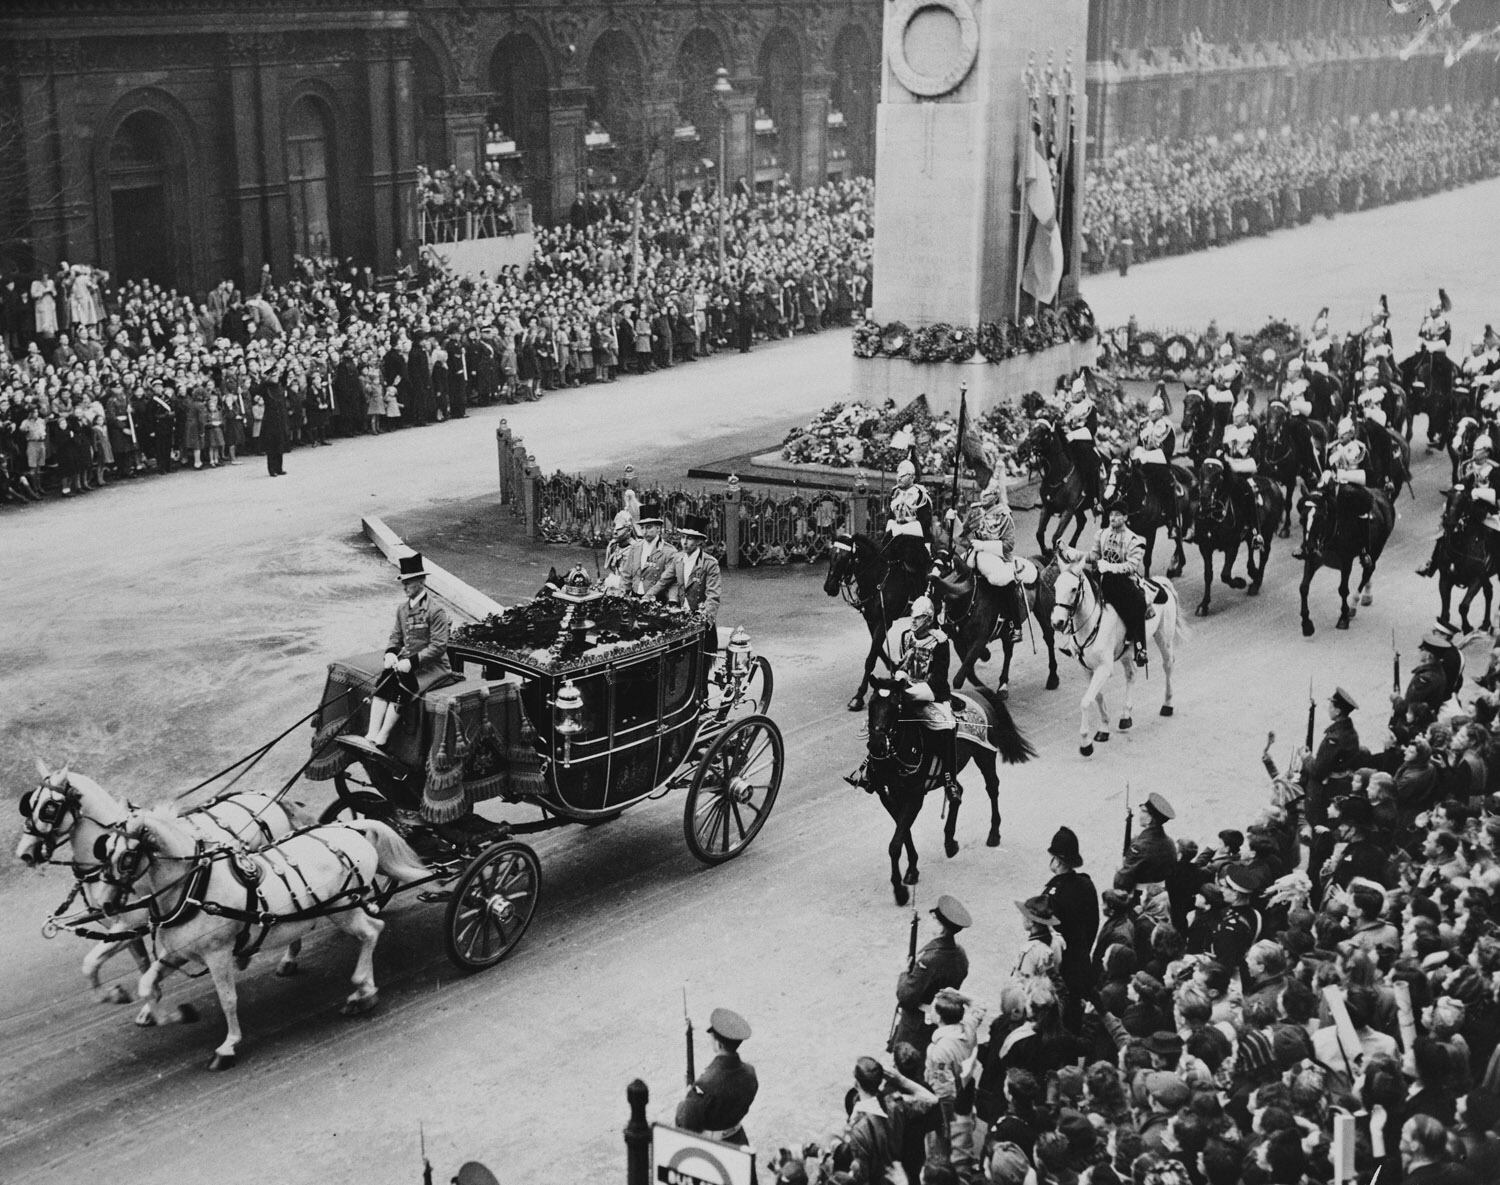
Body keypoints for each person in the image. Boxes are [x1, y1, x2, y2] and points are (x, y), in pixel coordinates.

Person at [362, 552, 452, 751]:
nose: (404, 587)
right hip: (406, 663)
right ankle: (372, 732)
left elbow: (438, 646)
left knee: (404, 685)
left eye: (409, 582)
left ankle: (383, 735)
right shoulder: (402, 609)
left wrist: (412, 662)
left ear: (421, 581)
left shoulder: (435, 611)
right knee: (384, 680)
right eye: (403, 582)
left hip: (433, 667)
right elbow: (396, 636)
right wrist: (391, 653)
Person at [887, 595, 960, 797]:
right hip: (909, 687)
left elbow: (938, 678)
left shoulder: (940, 642)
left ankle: (949, 779)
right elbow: (903, 665)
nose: (913, 621)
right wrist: (899, 675)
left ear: (928, 619)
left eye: (918, 618)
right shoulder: (906, 636)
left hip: (932, 692)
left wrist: (911, 691)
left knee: (947, 724)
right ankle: (870, 766)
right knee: (884, 714)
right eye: (912, 616)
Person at [646, 514, 721, 686]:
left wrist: (705, 618)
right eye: (683, 538)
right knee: (681, 663)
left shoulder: (710, 564)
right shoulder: (678, 559)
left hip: (700, 619)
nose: (685, 542)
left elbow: (713, 595)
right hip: (681, 618)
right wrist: (647, 596)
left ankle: (702, 697)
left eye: (690, 539)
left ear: (700, 542)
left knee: (701, 664)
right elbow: (663, 581)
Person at [892, 894, 971, 1056]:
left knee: (908, 1063)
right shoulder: (960, 953)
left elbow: (906, 996)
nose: (929, 921)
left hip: (918, 1025)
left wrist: (904, 972)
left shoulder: (930, 960)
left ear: (940, 926)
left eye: (933, 918)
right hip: (944, 1018)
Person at [951, 481, 1025, 644]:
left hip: (997, 556)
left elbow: (1009, 544)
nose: (984, 496)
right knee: (952, 570)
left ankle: (1014, 625)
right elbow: (962, 532)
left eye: (989, 494)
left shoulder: (1004, 514)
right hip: (975, 553)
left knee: (1003, 581)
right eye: (983, 493)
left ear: (996, 496)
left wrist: (985, 545)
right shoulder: (976, 511)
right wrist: (953, 518)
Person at [1042, 825, 1100, 1031]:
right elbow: (1093, 923)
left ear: (1057, 861)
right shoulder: (1086, 884)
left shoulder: (1053, 894)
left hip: (1060, 969)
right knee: (1074, 1019)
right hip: (1081, 961)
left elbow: (1044, 936)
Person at [676, 1008, 758, 1147]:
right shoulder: (750, 1073)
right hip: (738, 1140)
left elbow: (686, 1123)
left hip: (712, 1148)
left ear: (718, 1044)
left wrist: (687, 1098)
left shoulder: (705, 1085)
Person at [1087, 503, 1151, 667]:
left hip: (1123, 581)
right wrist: (1073, 554)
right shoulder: (1102, 534)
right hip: (1102, 577)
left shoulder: (1134, 540)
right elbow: (1094, 554)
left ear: (1125, 517)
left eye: (1117, 515)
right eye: (1111, 515)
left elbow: (1131, 566)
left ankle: (1140, 648)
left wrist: (1110, 567)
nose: (1113, 518)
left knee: (1138, 604)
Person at [1296, 418, 1366, 559]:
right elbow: (1325, 466)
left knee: (1352, 512)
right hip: (1330, 482)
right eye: (1341, 432)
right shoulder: (1331, 447)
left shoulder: (1357, 447)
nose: (1342, 435)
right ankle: (1308, 542)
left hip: (1349, 482)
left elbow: (1354, 467)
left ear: (1351, 434)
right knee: (1310, 504)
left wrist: (1341, 472)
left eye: (1345, 433)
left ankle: (1363, 549)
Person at [1300, 686, 1363, 825]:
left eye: (1331, 706)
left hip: (1326, 790)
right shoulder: (1351, 732)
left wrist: (1306, 758)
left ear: (1338, 711)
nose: (1329, 709)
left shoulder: (1333, 739)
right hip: (1342, 786)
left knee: (1316, 823)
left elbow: (1318, 771)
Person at [1114, 791, 1179, 911]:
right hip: (1162, 897)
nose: (1140, 813)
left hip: (1140, 899)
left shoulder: (1140, 846)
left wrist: (1120, 871)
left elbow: (1122, 882)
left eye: (1144, 811)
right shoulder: (1170, 842)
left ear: (1150, 819)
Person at [1220, 400, 1266, 546]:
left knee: (1249, 492)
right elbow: (1221, 447)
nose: (1235, 418)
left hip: (1244, 468)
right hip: (1228, 465)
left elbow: (1256, 454)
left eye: (1239, 416)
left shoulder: (1251, 432)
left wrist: (1241, 464)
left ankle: (1255, 531)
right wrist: (1221, 454)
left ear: (1246, 417)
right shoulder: (1228, 430)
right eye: (1234, 415)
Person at [1133, 388, 1178, 527]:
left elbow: (1166, 452)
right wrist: (1136, 456)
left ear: (1160, 412)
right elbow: (1140, 444)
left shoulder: (1167, 426)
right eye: (1150, 411)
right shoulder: (1144, 424)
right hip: (1143, 461)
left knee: (1165, 485)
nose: (1150, 414)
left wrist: (1145, 457)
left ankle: (1170, 517)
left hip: (1159, 464)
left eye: (1154, 412)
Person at [1063, 374, 1101, 507]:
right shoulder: (1068, 406)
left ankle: (1092, 494)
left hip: (1083, 442)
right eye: (1073, 393)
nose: (1074, 396)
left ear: (1083, 393)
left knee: (1089, 461)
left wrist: (1073, 435)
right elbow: (1063, 421)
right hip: (1067, 439)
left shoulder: (1090, 408)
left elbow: (1091, 430)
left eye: (1077, 394)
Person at [886, 458, 934, 547]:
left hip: (916, 540)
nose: (899, 479)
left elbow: (924, 524)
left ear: (912, 477)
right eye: (898, 475)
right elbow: (891, 516)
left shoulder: (920, 495)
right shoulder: (895, 493)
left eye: (903, 476)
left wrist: (901, 529)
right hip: (895, 537)